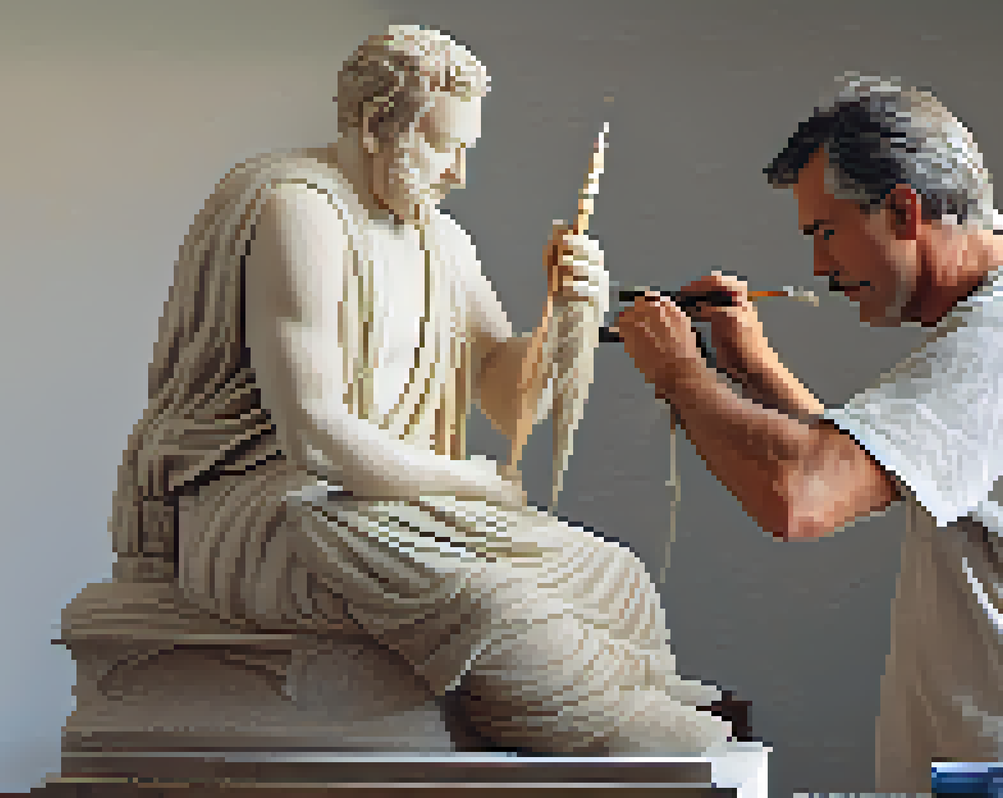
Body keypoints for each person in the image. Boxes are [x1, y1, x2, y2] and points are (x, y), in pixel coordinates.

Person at [106, 25, 732, 755]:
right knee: (487, 599)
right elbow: (315, 435)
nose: (459, 174)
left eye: (468, 148)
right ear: (376, 126)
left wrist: (566, 319)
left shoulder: (442, 240)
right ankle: (589, 713)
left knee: (614, 574)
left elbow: (505, 392)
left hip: (398, 495)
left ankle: (611, 689)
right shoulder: (299, 212)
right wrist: (470, 481)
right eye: (442, 147)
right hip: (275, 507)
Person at [615, 74, 1003, 793]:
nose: (820, 267)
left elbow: (803, 495)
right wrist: (753, 370)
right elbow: (864, 464)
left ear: (905, 210)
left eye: (826, 233)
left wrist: (681, 376)